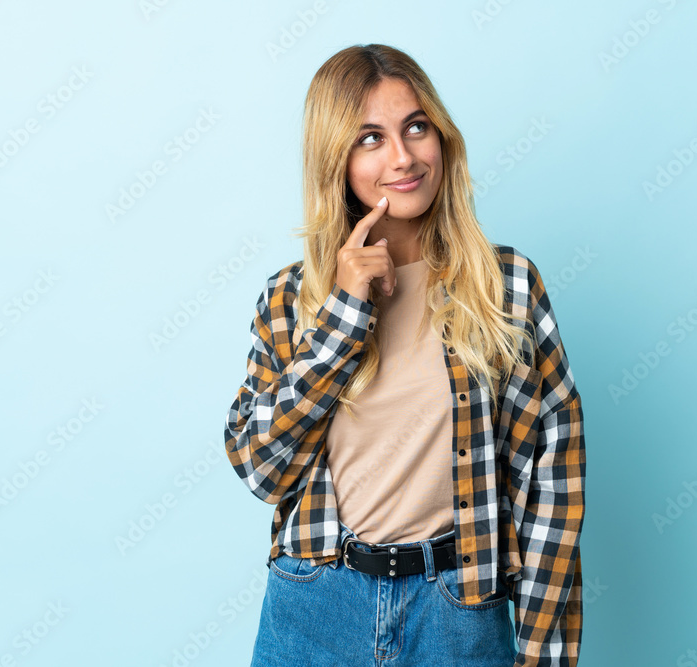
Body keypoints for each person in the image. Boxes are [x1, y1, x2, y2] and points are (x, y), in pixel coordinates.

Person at [223, 43, 585, 666]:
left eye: (415, 127)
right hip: (316, 606)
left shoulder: (508, 287)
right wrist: (343, 316)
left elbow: (550, 487)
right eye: (370, 138)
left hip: (456, 611)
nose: (402, 156)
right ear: (335, 161)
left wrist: (543, 657)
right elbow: (261, 469)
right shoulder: (290, 299)